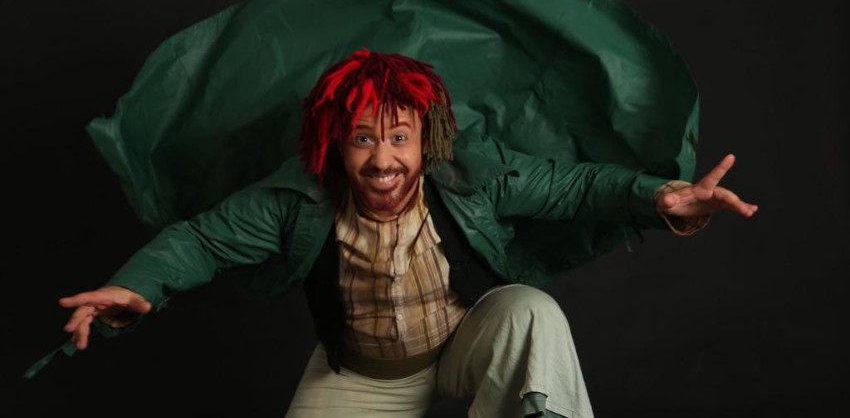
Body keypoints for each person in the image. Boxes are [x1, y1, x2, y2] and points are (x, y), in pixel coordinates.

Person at [57, 49, 757, 417]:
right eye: (363, 139)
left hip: (465, 345)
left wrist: (659, 198)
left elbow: (572, 186)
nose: (383, 160)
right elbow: (203, 241)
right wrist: (136, 285)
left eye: (399, 138)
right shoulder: (296, 199)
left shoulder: (472, 174)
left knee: (531, 311)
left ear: (428, 140)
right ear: (336, 145)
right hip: (364, 379)